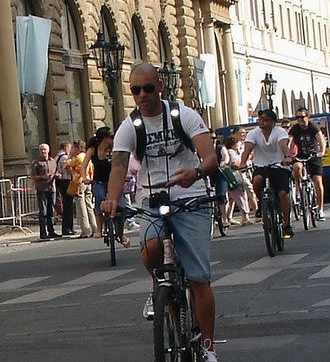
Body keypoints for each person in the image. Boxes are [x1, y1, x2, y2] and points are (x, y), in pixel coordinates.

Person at [100, 62, 220, 362]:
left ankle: (208, 347)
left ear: (160, 87)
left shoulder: (184, 116)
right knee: (151, 249)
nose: (142, 95)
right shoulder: (131, 126)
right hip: (152, 199)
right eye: (135, 90)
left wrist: (197, 172)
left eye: (148, 88)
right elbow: (118, 166)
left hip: (190, 197)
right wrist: (112, 199)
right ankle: (159, 287)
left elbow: (210, 156)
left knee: (199, 278)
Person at [238, 109, 295, 239]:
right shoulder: (253, 133)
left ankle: (286, 223)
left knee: (282, 194)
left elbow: (283, 144)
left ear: (273, 122)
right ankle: (262, 203)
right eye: (260, 119)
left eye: (265, 119)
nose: (261, 121)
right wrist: (242, 163)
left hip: (279, 166)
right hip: (261, 165)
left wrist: (287, 157)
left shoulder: (279, 132)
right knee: (257, 180)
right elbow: (247, 148)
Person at [81, 126, 128, 246]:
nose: (113, 139)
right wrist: (85, 178)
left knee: (121, 206)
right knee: (99, 199)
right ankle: (99, 229)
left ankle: (121, 235)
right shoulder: (93, 150)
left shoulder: (114, 150)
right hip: (99, 181)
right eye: (111, 137)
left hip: (113, 182)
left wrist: (126, 176)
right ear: (105, 138)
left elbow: (121, 164)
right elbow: (84, 165)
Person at [288, 107, 327, 221]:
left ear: (308, 117)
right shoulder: (295, 129)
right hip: (300, 156)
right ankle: (299, 189)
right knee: (296, 167)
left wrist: (322, 152)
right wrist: (287, 154)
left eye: (302, 117)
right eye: (298, 117)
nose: (300, 119)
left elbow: (321, 140)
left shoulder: (313, 127)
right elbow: (289, 140)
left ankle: (320, 209)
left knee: (317, 181)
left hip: (313, 156)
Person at [66, 140, 96, 238]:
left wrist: (70, 156)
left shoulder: (78, 158)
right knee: (89, 206)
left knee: (81, 207)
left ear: (77, 148)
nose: (72, 150)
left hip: (79, 182)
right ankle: (95, 228)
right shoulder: (86, 156)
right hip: (87, 181)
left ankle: (86, 230)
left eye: (73, 148)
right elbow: (91, 169)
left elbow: (66, 165)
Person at [30, 143, 60, 239]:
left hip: (52, 189)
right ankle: (43, 232)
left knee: (51, 211)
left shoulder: (53, 161)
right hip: (42, 189)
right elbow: (33, 177)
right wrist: (43, 177)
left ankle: (51, 231)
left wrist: (56, 175)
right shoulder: (36, 163)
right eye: (41, 150)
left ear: (48, 150)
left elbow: (56, 171)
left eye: (44, 150)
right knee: (43, 211)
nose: (43, 152)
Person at [231, 126, 259, 221]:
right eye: (241, 133)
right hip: (238, 172)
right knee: (247, 192)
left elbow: (252, 153)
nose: (244, 135)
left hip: (248, 169)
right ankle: (255, 213)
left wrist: (246, 158)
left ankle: (253, 213)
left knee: (249, 192)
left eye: (244, 133)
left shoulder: (245, 144)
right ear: (235, 134)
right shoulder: (232, 145)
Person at [226, 136, 252, 226]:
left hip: (231, 178)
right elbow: (234, 164)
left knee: (231, 199)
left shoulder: (231, 152)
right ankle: (245, 216)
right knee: (241, 196)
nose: (238, 145)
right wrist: (242, 165)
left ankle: (227, 217)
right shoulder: (231, 152)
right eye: (236, 143)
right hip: (235, 177)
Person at [55, 141, 75, 235]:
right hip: (66, 181)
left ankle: (67, 228)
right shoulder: (65, 158)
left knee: (66, 205)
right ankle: (67, 228)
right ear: (66, 148)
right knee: (68, 205)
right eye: (69, 148)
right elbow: (68, 169)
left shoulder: (56, 157)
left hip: (60, 182)